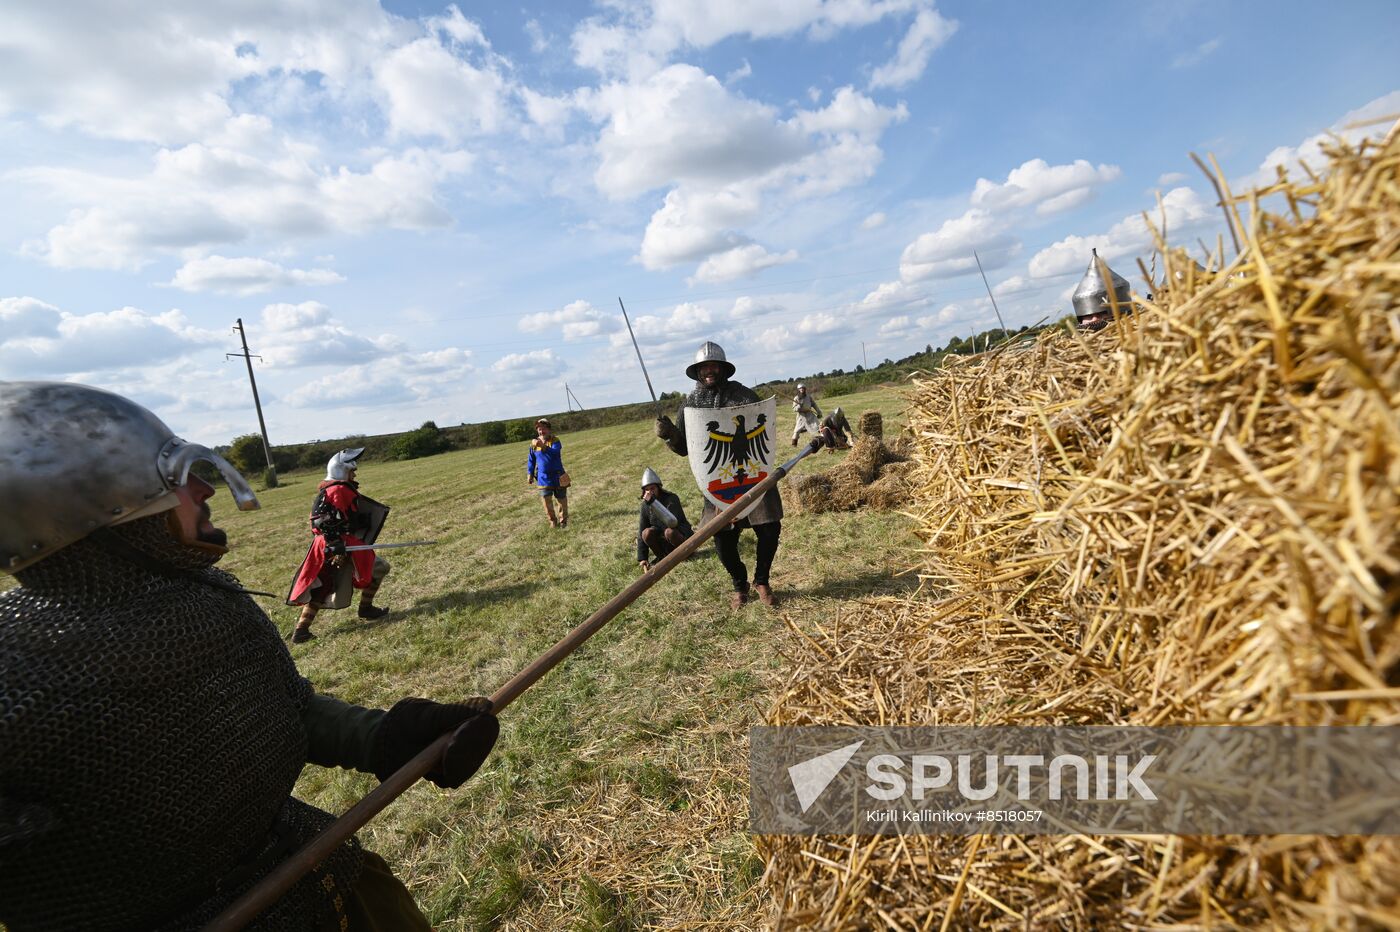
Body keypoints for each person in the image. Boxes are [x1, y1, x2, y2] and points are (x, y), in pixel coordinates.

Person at [0, 380, 499, 932]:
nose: (206, 491)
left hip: (314, 871)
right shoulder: (13, 673)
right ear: (101, 508)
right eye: (178, 479)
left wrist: (392, 737)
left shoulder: (211, 600)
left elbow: (287, 711)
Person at [654, 341, 783, 608]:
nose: (709, 371)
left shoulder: (744, 396)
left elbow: (764, 431)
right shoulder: (690, 404)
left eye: (713, 366)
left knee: (770, 529)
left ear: (723, 368)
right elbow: (684, 450)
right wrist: (670, 435)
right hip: (718, 479)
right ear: (698, 371)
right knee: (723, 540)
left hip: (751, 472)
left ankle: (762, 581)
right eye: (704, 367)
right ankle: (739, 584)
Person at [286, 447, 392, 644]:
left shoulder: (334, 489)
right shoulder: (338, 490)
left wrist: (357, 523)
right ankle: (365, 609)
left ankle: (302, 630)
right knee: (378, 568)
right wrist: (336, 545)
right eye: (352, 471)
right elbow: (320, 521)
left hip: (335, 543)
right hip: (336, 545)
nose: (354, 474)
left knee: (324, 584)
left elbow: (337, 518)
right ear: (342, 471)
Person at [636, 467, 694, 573]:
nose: (650, 492)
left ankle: (684, 555)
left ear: (658, 487)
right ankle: (662, 557)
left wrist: (653, 503)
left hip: (680, 539)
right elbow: (641, 531)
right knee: (646, 533)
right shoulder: (645, 505)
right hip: (665, 545)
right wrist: (642, 557)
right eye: (647, 489)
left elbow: (672, 522)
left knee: (669, 532)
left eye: (652, 488)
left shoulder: (671, 498)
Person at [527, 417, 569, 529]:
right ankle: (553, 522)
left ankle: (563, 522)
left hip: (558, 476)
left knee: (562, 500)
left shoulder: (555, 440)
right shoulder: (533, 444)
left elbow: (555, 453)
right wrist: (530, 473)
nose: (541, 431)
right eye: (539, 429)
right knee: (546, 502)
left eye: (544, 429)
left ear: (549, 429)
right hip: (543, 478)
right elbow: (531, 460)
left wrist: (543, 446)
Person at [791, 382, 823, 447]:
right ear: (798, 390)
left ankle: (824, 438)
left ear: (805, 389)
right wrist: (799, 406)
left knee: (818, 426)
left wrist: (819, 412)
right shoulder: (796, 398)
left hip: (810, 414)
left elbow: (814, 404)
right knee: (797, 430)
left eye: (803, 388)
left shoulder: (808, 397)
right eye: (800, 389)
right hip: (801, 416)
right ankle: (794, 444)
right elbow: (794, 409)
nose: (802, 389)